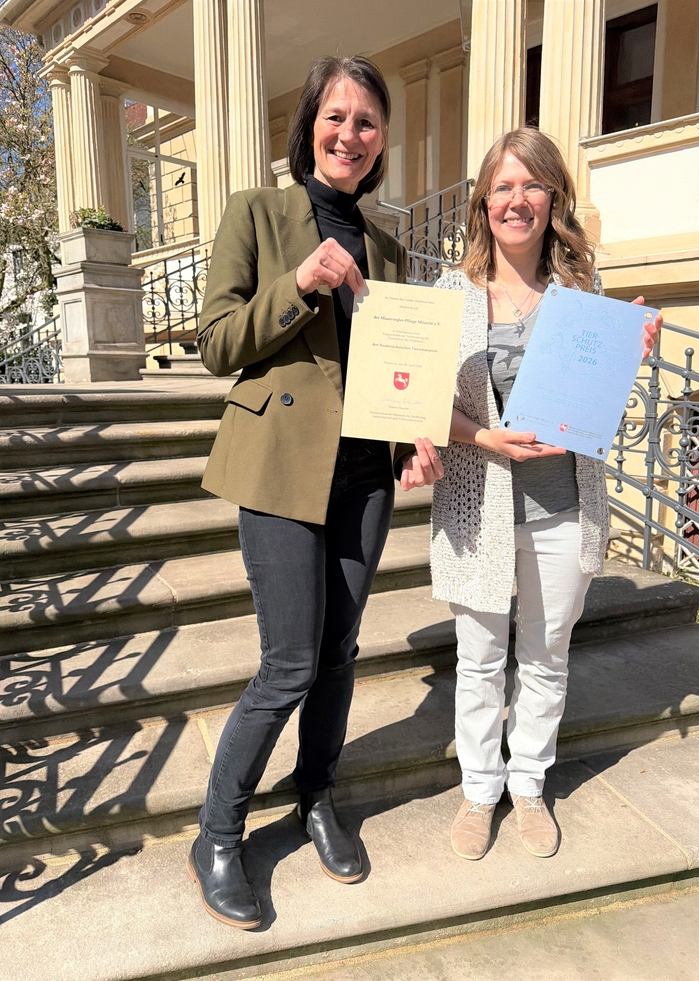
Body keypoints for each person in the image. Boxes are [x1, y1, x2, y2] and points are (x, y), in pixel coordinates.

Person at [189, 56, 415, 930]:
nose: (350, 134)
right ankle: (217, 832)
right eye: (336, 116)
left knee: (340, 650)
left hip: (364, 476)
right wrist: (300, 285)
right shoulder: (257, 211)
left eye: (366, 121)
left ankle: (315, 793)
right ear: (308, 124)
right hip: (281, 466)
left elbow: (400, 362)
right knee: (288, 661)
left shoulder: (387, 243)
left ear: (382, 140)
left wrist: (417, 433)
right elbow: (216, 341)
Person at [400, 127, 661, 862]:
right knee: (480, 660)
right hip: (475, 509)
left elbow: (594, 402)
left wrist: (628, 356)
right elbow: (420, 400)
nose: (517, 201)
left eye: (532, 185)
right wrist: (484, 438)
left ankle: (528, 785)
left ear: (553, 198)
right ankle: (480, 789)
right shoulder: (451, 293)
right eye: (503, 187)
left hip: (563, 509)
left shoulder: (582, 295)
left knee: (545, 658)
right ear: (484, 203)